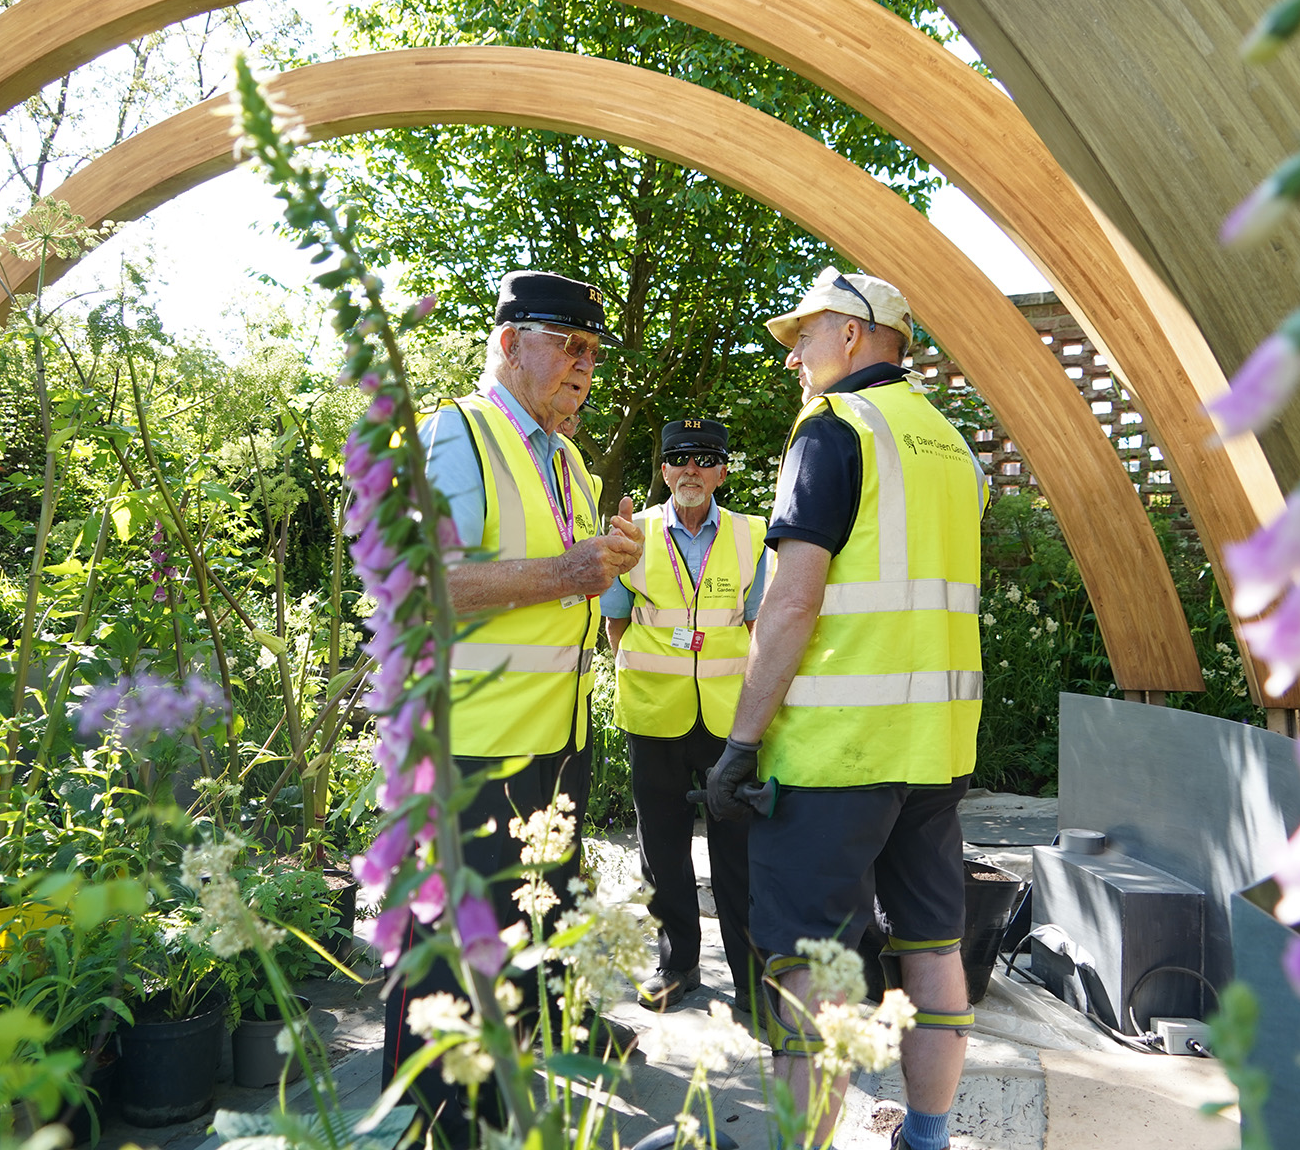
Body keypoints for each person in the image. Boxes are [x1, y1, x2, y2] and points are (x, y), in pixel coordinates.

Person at [697, 267, 989, 1150]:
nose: (794, 357)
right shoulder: (951, 442)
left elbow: (792, 602)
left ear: (855, 336)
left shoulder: (835, 429)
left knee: (812, 979)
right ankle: (928, 1138)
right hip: (932, 752)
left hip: (831, 758)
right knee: (933, 949)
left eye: (806, 336)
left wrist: (739, 743)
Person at [382, 270, 644, 1144]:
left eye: (593, 354)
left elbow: (569, 583)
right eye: (568, 345)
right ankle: (433, 1130)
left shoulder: (566, 457)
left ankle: (499, 1113)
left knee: (526, 946)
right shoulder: (453, 436)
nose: (584, 367)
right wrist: (567, 573)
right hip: (471, 755)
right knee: (450, 973)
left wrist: (611, 558)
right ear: (508, 343)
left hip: (553, 753)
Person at [601, 418, 769, 1012]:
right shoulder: (633, 533)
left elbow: (760, 629)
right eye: (679, 458)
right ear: (665, 469)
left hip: (730, 720)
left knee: (739, 849)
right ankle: (677, 965)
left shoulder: (754, 534)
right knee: (661, 847)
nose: (691, 469)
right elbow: (615, 621)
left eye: (704, 458)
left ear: (723, 470)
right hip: (654, 715)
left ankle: (751, 974)